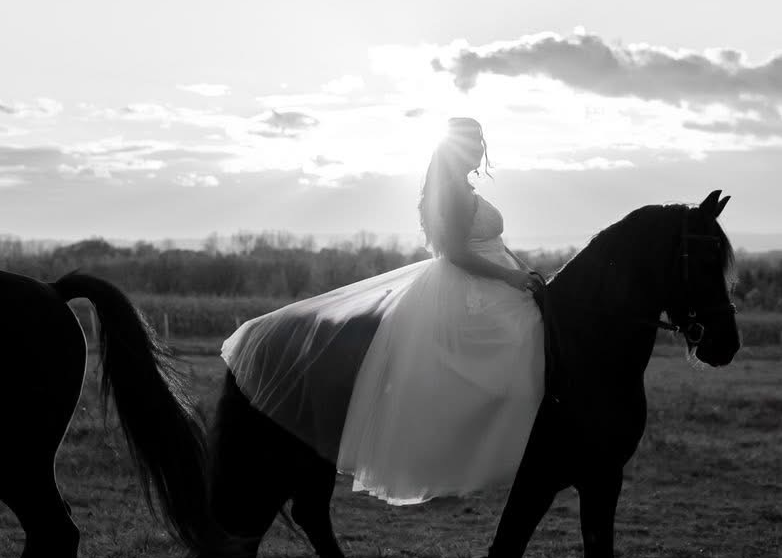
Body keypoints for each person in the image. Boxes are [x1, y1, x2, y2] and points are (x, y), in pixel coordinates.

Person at [220, 117, 547, 505]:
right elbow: (457, 254)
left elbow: (492, 242)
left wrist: (522, 270)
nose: (476, 149)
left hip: (498, 278)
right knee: (514, 346)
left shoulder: (464, 188)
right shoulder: (451, 194)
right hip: (470, 287)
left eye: (479, 141)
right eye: (469, 142)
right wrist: (509, 280)